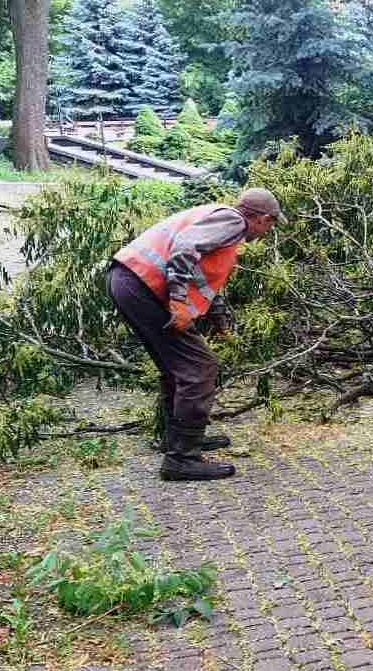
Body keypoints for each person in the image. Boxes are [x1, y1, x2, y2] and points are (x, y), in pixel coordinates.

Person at [107, 188, 284, 481]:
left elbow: (205, 279)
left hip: (128, 281)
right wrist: (177, 302)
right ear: (264, 218)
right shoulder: (234, 221)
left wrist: (221, 322)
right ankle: (181, 458)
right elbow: (183, 249)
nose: (267, 232)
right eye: (271, 225)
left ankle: (176, 441)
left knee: (176, 368)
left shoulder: (219, 220)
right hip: (141, 285)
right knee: (200, 368)